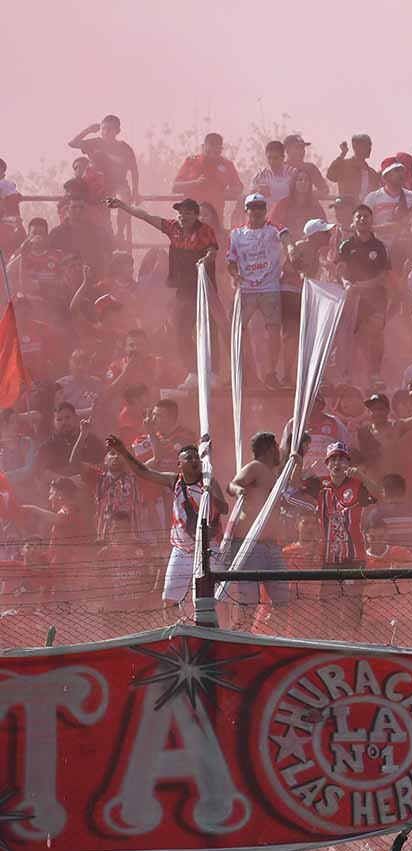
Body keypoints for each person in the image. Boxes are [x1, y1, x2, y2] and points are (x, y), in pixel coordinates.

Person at [107, 435, 226, 606]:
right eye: (189, 458)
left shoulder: (209, 480)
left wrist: (210, 493)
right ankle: (174, 631)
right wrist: (123, 452)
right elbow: (143, 472)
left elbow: (224, 509)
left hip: (209, 548)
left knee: (216, 599)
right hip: (181, 550)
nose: (194, 460)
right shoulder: (175, 481)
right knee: (169, 600)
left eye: (196, 457)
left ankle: (219, 630)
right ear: (179, 464)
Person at [106, 196, 218, 370]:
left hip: (203, 288)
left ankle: (214, 373)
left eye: (187, 213)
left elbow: (212, 251)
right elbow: (144, 215)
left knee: (209, 330)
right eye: (180, 213)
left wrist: (205, 259)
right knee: (181, 332)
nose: (182, 216)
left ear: (195, 215)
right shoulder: (172, 227)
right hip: (183, 290)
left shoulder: (205, 231)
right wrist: (122, 205)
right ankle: (193, 372)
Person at [217, 431, 292, 617]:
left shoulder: (274, 474)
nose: (279, 453)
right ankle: (243, 640)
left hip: (271, 546)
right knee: (248, 603)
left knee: (283, 601)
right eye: (276, 448)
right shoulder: (256, 467)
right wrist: (239, 490)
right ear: (269, 449)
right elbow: (232, 484)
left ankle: (273, 637)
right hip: (250, 546)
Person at [228, 193, 288, 388]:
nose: (256, 211)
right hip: (246, 289)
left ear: (265, 210)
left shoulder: (272, 228)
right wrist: (235, 275)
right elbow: (231, 262)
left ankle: (271, 373)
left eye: (260, 207)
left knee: (273, 330)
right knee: (236, 330)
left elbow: (286, 235)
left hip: (270, 287)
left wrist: (293, 249)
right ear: (246, 211)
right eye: (252, 207)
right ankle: (243, 371)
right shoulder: (236, 234)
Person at [336, 204, 392, 383]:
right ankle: (346, 375)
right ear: (353, 222)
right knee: (348, 336)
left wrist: (361, 286)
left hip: (375, 298)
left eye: (365, 216)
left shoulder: (380, 246)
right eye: (358, 216)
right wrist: (346, 284)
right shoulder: (346, 245)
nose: (362, 219)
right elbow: (340, 271)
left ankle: (375, 374)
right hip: (352, 297)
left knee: (375, 332)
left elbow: (383, 277)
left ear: (371, 220)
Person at [68, 115, 138, 239]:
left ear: (117, 131)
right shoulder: (96, 143)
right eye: (104, 128)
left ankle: (120, 232)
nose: (106, 132)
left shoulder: (124, 148)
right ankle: (101, 234)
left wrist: (136, 190)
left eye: (110, 129)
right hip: (98, 185)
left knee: (124, 200)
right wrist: (88, 130)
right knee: (100, 214)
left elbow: (134, 169)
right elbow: (72, 143)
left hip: (119, 184)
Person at [172, 131, 244, 216]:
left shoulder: (227, 165)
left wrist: (220, 193)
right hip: (190, 217)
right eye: (210, 148)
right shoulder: (191, 162)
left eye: (217, 148)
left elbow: (238, 188)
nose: (213, 152)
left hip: (214, 217)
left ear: (221, 149)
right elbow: (175, 187)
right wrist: (195, 183)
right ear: (203, 147)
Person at [325, 134, 379, 225]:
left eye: (370, 146)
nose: (370, 149)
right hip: (346, 213)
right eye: (366, 146)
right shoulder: (344, 165)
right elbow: (330, 175)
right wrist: (343, 153)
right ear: (356, 147)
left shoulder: (372, 173)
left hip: (366, 215)